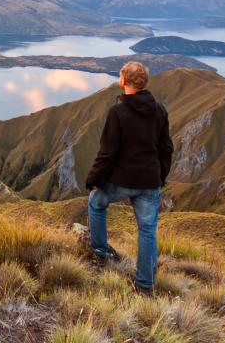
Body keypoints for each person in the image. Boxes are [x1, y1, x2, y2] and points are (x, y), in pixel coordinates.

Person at [84, 61, 172, 294]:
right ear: (144, 82)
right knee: (147, 231)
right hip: (149, 182)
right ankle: (144, 285)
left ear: (123, 81)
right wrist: (160, 177)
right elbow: (166, 149)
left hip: (121, 181)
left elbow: (107, 153)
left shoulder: (117, 112)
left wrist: (94, 181)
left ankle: (100, 254)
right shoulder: (159, 110)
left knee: (96, 202)